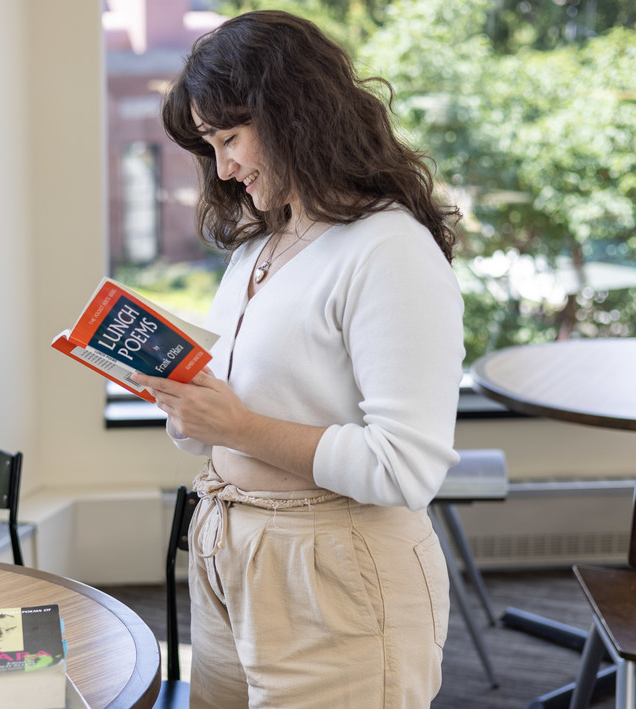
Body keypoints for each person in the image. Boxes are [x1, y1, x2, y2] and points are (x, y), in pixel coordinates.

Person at [132, 11, 465, 708]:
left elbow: (406, 465)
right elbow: (218, 421)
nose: (221, 166)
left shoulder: (388, 248)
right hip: (229, 550)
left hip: (335, 572)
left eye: (229, 138)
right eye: (209, 144)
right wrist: (185, 401)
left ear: (294, 113)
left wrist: (237, 425)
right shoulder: (261, 246)